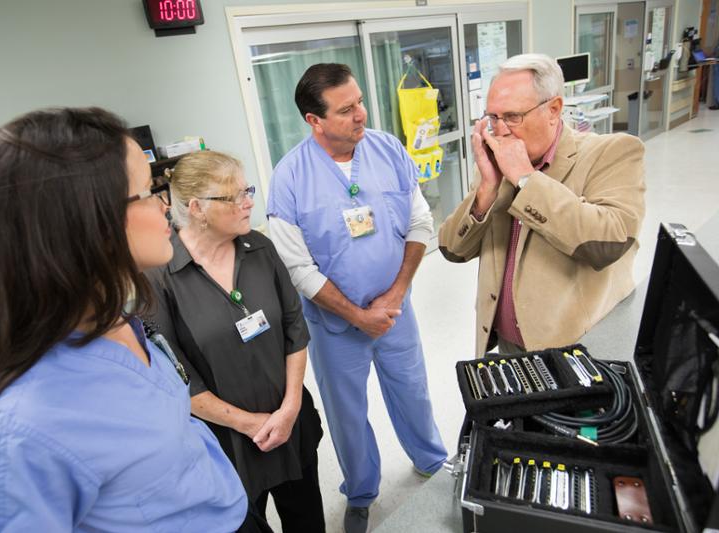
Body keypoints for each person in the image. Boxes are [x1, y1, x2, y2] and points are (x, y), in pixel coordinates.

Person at [0, 107, 269, 532]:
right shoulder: (18, 437)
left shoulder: (120, 320)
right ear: (88, 220)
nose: (162, 205)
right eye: (145, 191)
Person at [266, 63, 448, 533]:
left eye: (360, 101)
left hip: (395, 312)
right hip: (333, 326)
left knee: (413, 391)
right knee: (347, 414)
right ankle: (362, 491)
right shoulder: (289, 179)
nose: (361, 114)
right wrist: (357, 316)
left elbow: (420, 223)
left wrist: (395, 294)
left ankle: (432, 464)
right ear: (315, 120)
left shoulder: (387, 149)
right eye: (346, 110)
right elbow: (299, 269)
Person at [145, 151, 325, 532]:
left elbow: (294, 325)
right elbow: (176, 376)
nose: (249, 202)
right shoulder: (159, 277)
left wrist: (290, 406)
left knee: (307, 518)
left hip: (289, 420)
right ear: (196, 208)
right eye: (235, 196)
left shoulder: (259, 247)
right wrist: (249, 424)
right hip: (227, 443)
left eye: (248, 191)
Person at [438, 53, 646, 356]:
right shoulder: (496, 167)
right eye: (493, 118)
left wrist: (526, 179)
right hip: (508, 349)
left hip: (575, 352)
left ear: (554, 109)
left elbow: (609, 242)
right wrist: (486, 189)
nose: (501, 130)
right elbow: (452, 250)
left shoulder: (612, 152)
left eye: (512, 117)